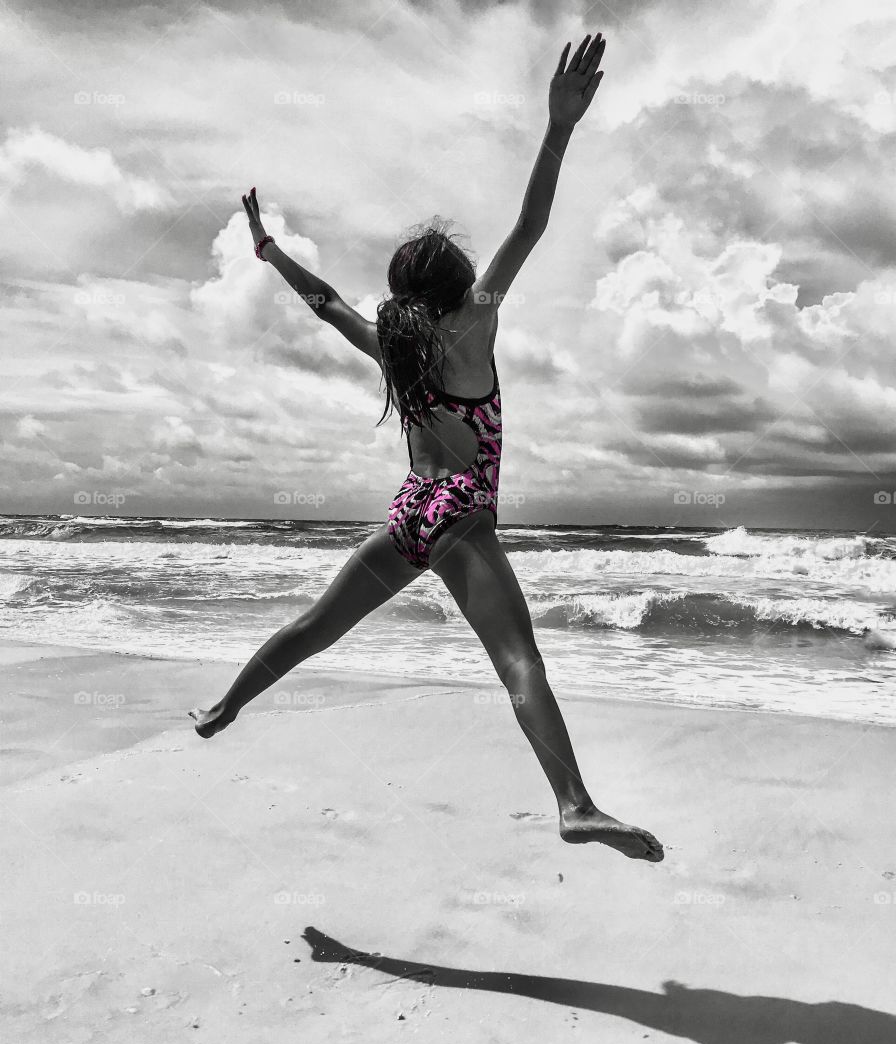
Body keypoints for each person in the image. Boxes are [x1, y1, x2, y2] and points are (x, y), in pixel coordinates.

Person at [190, 33, 664, 862]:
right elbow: (532, 225)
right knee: (520, 661)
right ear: (457, 282)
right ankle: (576, 803)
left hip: (410, 513)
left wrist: (267, 252)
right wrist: (557, 130)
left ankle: (226, 707)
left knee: (314, 629)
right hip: (462, 514)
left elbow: (325, 301)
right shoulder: (473, 324)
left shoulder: (393, 345)